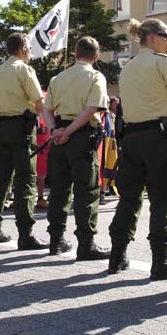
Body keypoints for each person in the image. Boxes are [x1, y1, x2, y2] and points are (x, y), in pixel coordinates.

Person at [107, 18, 167, 280]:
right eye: (166, 36)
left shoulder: (128, 67)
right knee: (164, 196)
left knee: (129, 197)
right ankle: (161, 260)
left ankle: (117, 255)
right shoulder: (162, 62)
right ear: (153, 37)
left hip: (132, 139)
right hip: (158, 137)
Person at [43, 36, 111, 260]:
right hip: (81, 136)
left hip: (60, 137)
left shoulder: (58, 78)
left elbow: (47, 110)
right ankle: (86, 244)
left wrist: (55, 131)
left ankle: (56, 240)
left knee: (59, 191)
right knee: (86, 192)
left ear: (75, 53)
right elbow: (92, 109)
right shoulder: (95, 76)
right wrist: (69, 131)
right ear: (96, 56)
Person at [0, 32, 48, 250]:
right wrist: (48, 121)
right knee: (25, 180)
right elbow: (39, 103)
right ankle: (25, 235)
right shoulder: (24, 69)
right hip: (22, 129)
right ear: (22, 49)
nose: (30, 51)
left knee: (1, 180)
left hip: (3, 128)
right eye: (29, 48)